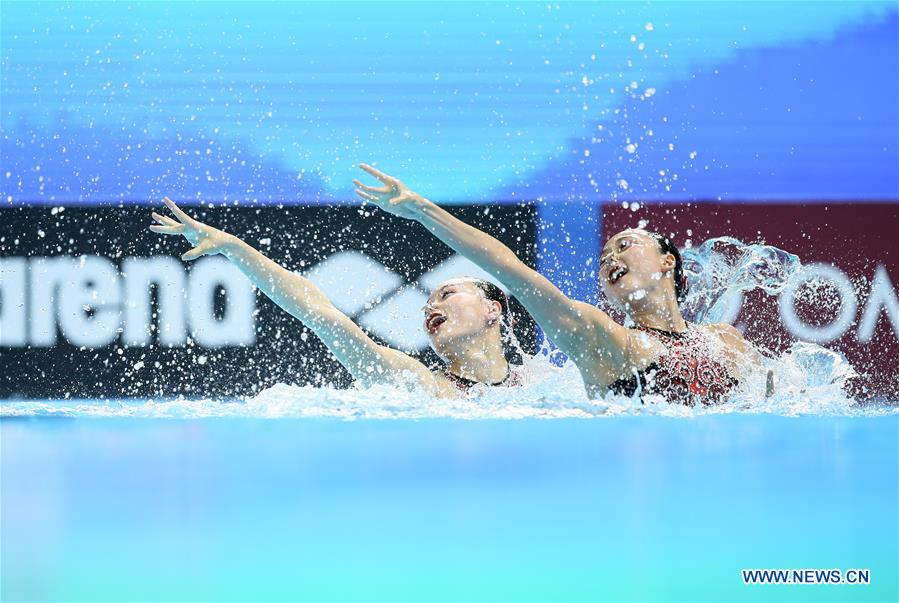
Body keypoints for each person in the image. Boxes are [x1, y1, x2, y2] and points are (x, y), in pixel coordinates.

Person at [354, 164, 772, 405]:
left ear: (669, 261)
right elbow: (511, 270)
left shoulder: (726, 340)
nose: (611, 258)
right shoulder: (603, 339)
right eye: (604, 256)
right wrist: (424, 211)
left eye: (625, 246)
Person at [149, 197, 520, 397]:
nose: (430, 306)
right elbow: (321, 314)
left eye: (447, 294)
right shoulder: (419, 385)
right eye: (428, 302)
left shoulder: (542, 381)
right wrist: (234, 248)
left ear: (493, 309)